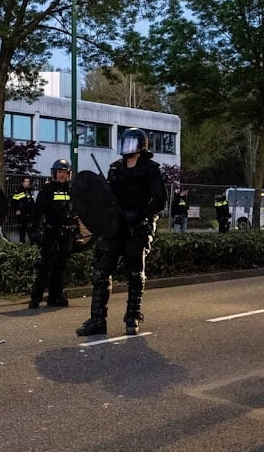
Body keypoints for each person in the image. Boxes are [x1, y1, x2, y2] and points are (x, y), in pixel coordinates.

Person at [76, 128, 166, 337]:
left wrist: (139, 214)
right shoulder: (116, 168)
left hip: (137, 228)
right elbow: (106, 199)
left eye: (131, 143)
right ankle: (98, 320)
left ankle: (132, 316)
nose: (127, 147)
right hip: (115, 228)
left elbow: (159, 200)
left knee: (135, 274)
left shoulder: (150, 169)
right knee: (100, 274)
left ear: (140, 146)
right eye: (125, 143)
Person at [28, 159, 78, 309]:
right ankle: (35, 298)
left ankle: (55, 297)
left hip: (67, 233)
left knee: (61, 266)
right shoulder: (48, 189)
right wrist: (35, 230)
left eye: (65, 172)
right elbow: (37, 212)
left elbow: (76, 210)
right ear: (55, 173)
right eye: (60, 172)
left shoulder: (71, 190)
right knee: (46, 266)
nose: (62, 175)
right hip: (52, 232)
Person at [10, 176, 36, 243]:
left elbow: (32, 202)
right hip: (22, 215)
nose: (28, 183)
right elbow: (13, 202)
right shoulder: (18, 191)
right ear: (23, 183)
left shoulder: (30, 191)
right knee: (22, 232)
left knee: (31, 231)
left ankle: (32, 246)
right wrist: (16, 210)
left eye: (29, 182)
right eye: (26, 181)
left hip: (30, 215)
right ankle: (22, 245)